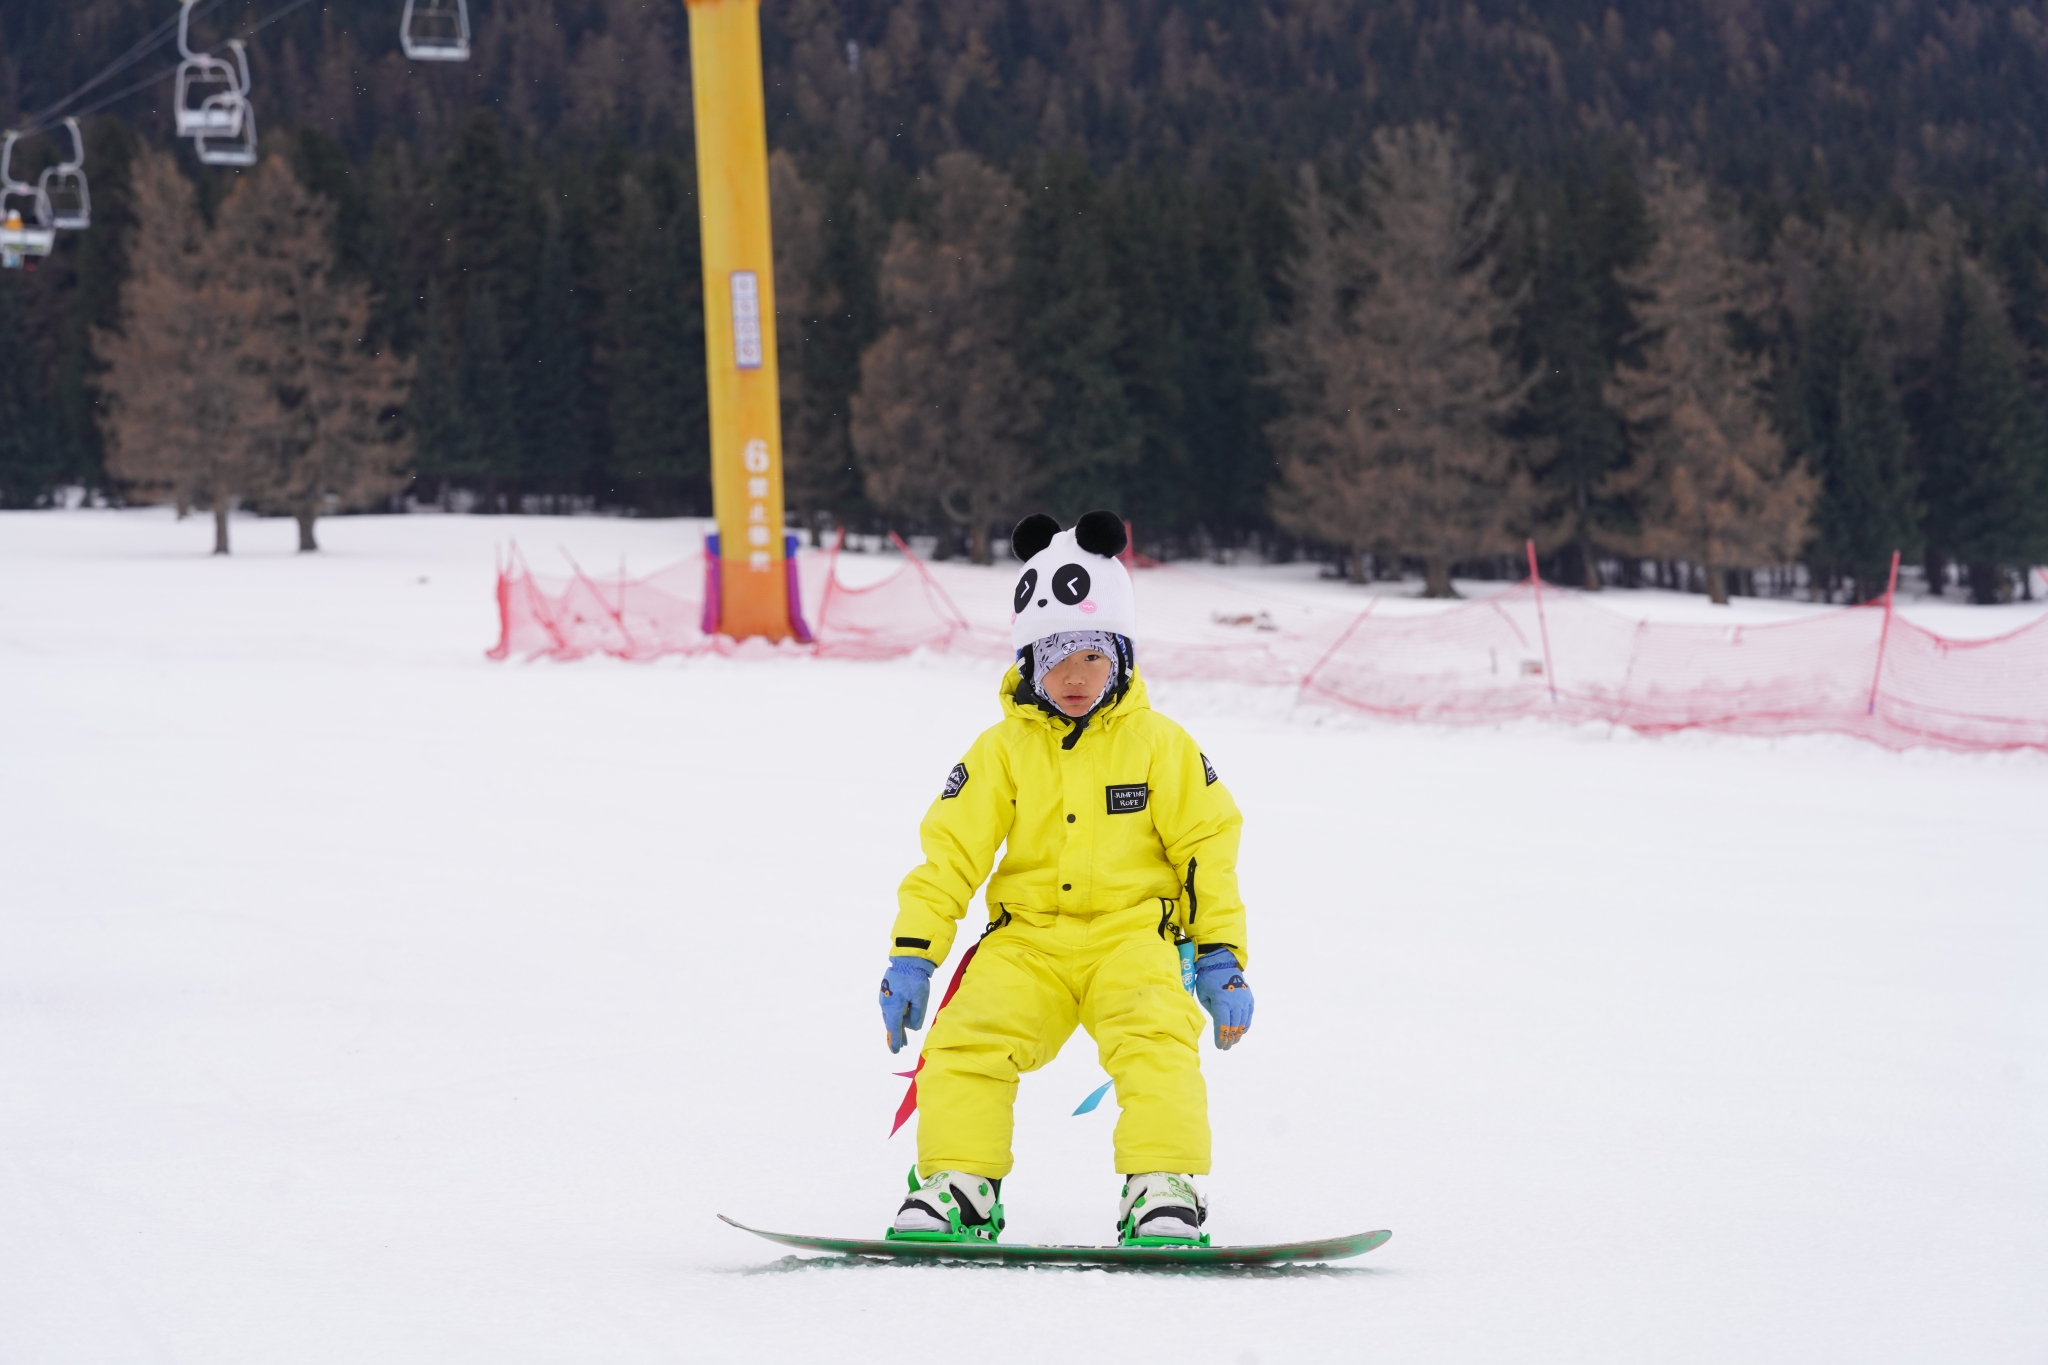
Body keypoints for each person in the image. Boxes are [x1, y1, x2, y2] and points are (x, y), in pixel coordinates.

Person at [877, 510, 1255, 1245]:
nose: (1073, 676)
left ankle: (1162, 1185)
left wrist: (1220, 955)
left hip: (1133, 936)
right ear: (1027, 662)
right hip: (1029, 941)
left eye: (1089, 656)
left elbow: (1209, 846)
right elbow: (951, 848)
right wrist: (912, 954)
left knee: (1156, 1037)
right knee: (967, 1036)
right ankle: (960, 1184)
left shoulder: (1160, 745)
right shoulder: (1002, 750)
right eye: (1053, 658)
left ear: (1119, 653)